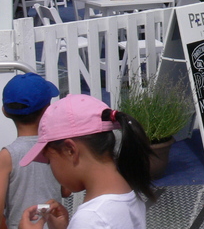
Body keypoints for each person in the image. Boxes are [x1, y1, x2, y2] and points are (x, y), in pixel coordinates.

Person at [18, 94, 154, 229]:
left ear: (70, 150)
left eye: (49, 161)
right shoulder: (130, 193)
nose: (51, 169)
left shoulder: (90, 219)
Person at [0, 73, 64, 229]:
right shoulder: (57, 148)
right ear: (47, 109)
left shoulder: (6, 156)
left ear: (5, 111)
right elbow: (66, 190)